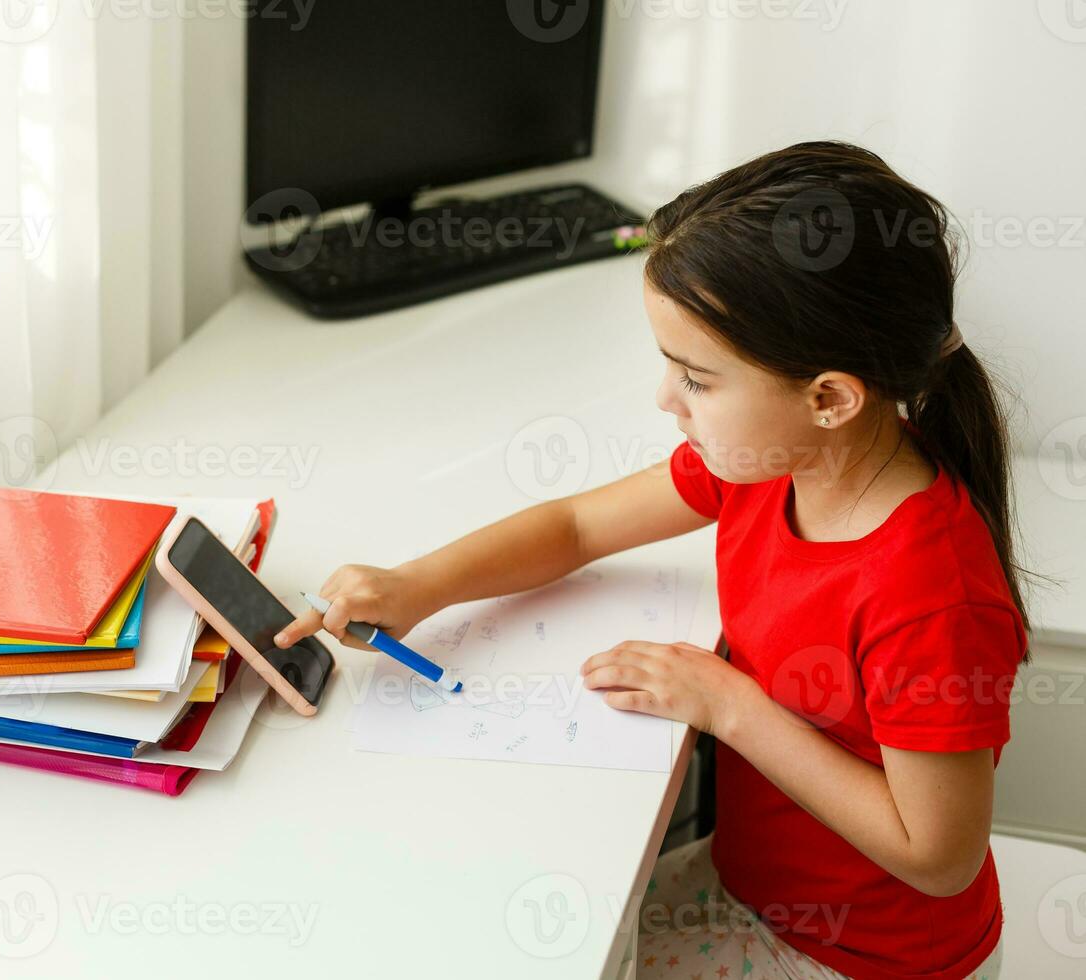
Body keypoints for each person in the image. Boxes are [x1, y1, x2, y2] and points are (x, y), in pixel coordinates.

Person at [274, 142, 1024, 980]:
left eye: (696, 379)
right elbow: (578, 525)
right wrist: (419, 584)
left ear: (829, 398)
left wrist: (728, 706)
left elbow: (937, 856)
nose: (665, 401)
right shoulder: (777, 463)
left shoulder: (931, 599)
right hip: (751, 888)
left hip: (861, 959)